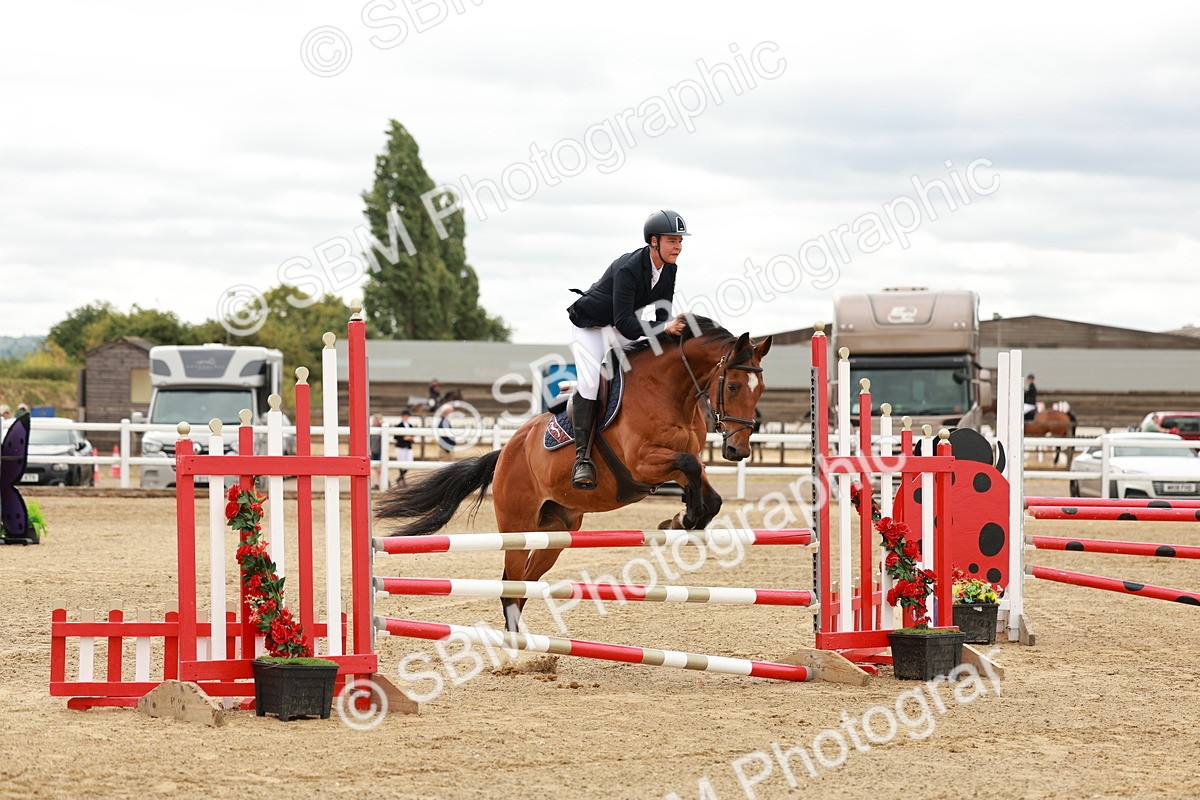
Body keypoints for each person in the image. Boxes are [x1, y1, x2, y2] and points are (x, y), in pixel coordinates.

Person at [565, 209, 690, 490]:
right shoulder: (628, 268)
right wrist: (664, 328)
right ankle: (582, 460)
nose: (678, 247)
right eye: (672, 240)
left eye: (680, 241)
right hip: (592, 327)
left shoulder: (669, 269)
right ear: (654, 241)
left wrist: (673, 334)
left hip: (622, 327)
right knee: (589, 384)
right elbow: (626, 322)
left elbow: (662, 315)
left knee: (655, 359)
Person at [395, 408, 415, 481]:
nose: (406, 417)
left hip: (408, 446)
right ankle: (402, 478)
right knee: (401, 462)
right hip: (401, 446)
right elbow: (395, 436)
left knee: (409, 462)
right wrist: (404, 438)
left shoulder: (410, 425)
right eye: (404, 416)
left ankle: (400, 477)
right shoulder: (399, 425)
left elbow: (413, 435)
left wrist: (411, 438)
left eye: (407, 416)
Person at [369, 414, 384, 489]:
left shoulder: (381, 429)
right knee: (375, 468)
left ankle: (378, 483)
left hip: (380, 451)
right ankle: (376, 483)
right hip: (374, 451)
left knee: (379, 468)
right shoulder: (371, 429)